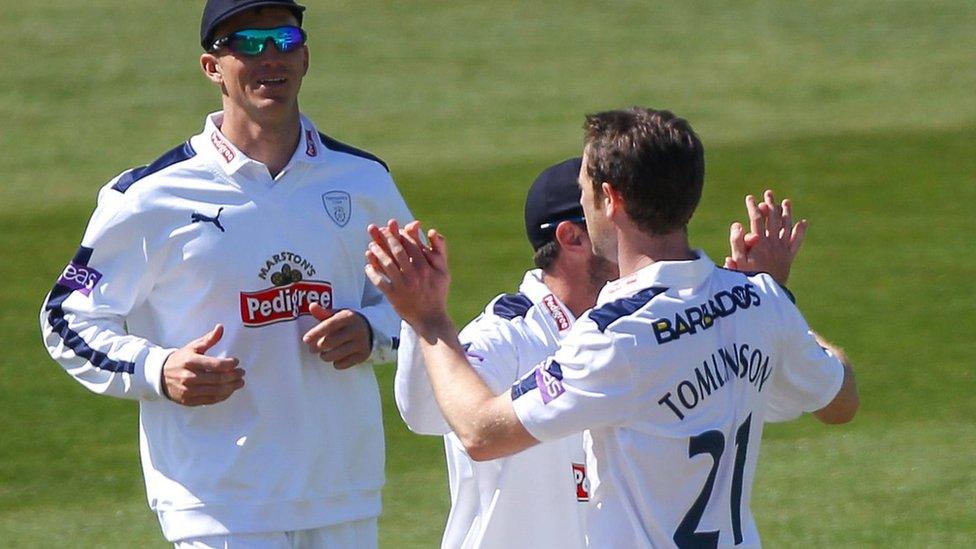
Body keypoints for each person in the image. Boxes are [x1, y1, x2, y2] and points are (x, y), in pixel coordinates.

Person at [366, 107, 858, 548]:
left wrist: (426, 317)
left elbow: (480, 432)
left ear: (609, 199)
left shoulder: (616, 337)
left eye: (584, 190)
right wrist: (777, 300)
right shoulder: (759, 300)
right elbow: (841, 402)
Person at [39, 1, 410, 547]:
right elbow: (65, 317)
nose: (270, 58)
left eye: (283, 41)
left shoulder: (364, 181)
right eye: (247, 44)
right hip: (217, 498)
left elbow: (420, 303)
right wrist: (158, 368)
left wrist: (373, 331)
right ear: (212, 66)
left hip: (341, 489)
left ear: (305, 57)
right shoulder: (149, 197)